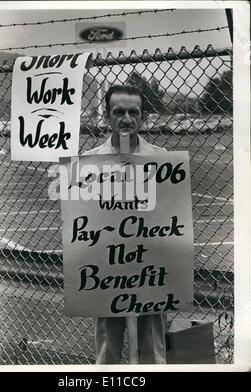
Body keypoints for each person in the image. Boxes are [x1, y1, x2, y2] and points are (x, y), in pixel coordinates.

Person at [82, 84, 167, 364]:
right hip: (107, 269)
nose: (127, 119)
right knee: (108, 349)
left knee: (153, 349)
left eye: (134, 112)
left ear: (142, 117)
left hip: (150, 267)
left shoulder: (161, 159)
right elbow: (83, 223)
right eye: (119, 112)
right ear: (107, 116)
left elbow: (171, 216)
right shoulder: (90, 163)